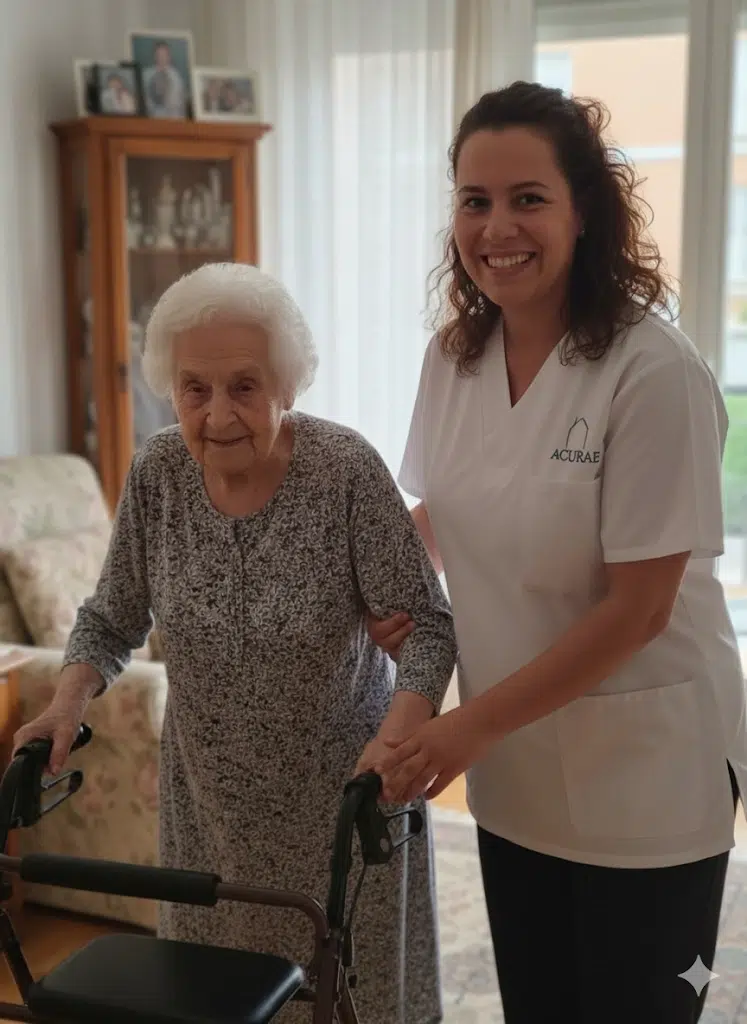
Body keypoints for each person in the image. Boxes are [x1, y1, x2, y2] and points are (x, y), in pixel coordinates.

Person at [367, 81, 747, 1024]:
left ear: (583, 212)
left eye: (527, 198)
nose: (497, 227)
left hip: (645, 779)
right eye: (475, 200)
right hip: (518, 772)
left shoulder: (651, 370)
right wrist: (377, 592)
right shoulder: (452, 357)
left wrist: (463, 729)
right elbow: (446, 511)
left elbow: (639, 611)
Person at [14, 262, 457, 1024]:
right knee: (213, 1003)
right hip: (208, 822)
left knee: (349, 1001)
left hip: (344, 809)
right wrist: (64, 704)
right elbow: (111, 618)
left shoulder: (344, 471)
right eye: (194, 388)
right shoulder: (158, 473)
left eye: (244, 386)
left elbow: (428, 625)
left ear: (287, 386)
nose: (217, 413)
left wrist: (397, 739)